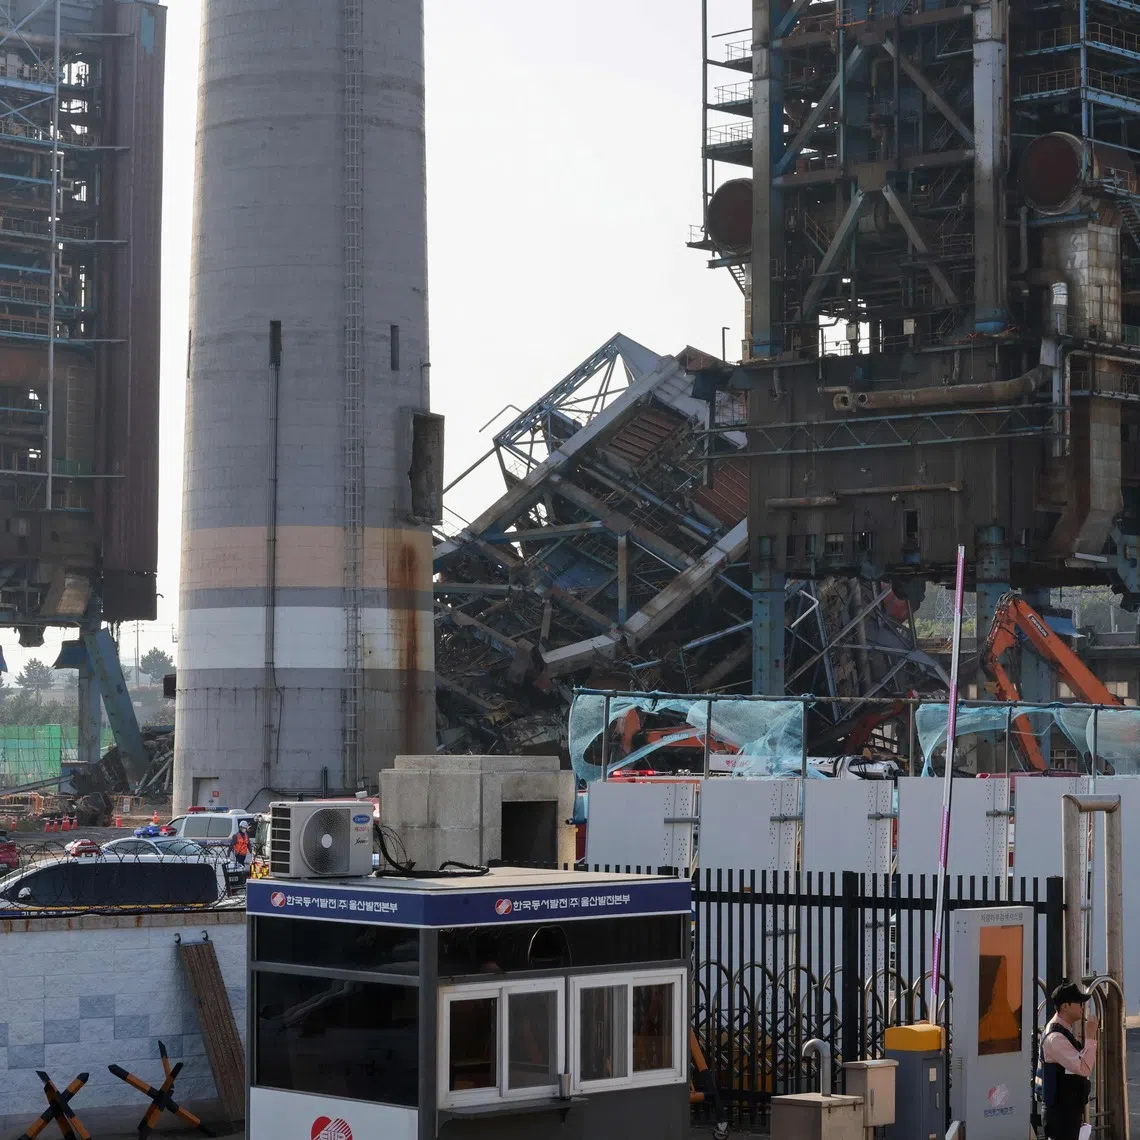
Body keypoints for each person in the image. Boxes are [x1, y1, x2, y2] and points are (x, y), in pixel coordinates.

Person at [1037, 980, 1097, 1140]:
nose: (1082, 1007)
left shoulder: (1063, 1032)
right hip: (1060, 1115)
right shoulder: (1055, 1037)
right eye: (1078, 1003)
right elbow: (1084, 1068)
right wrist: (1090, 1038)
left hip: (1067, 1111)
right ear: (1065, 1006)